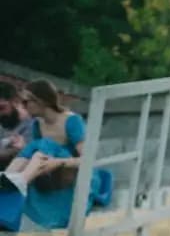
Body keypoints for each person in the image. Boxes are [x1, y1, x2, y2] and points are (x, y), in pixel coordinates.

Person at [0, 79, 110, 228]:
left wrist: (57, 162)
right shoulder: (37, 124)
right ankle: (8, 178)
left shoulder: (71, 121)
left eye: (26, 103)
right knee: (36, 146)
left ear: (41, 102)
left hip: (76, 178)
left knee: (45, 144)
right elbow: (37, 155)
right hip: (53, 177)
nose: (23, 108)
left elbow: (89, 159)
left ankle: (19, 180)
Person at [0, 81, 34, 169]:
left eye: (2, 108)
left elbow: (19, 152)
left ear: (15, 101)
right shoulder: (3, 122)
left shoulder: (32, 124)